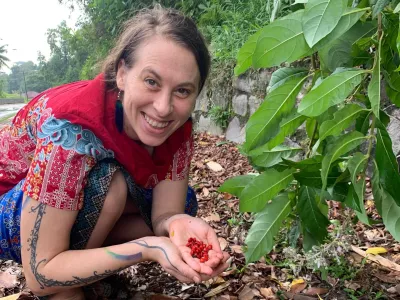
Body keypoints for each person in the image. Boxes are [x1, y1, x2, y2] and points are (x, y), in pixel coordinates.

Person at [0, 6, 230, 300]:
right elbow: (40, 275)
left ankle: (83, 265)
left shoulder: (178, 126)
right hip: (9, 209)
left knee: (183, 210)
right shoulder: (71, 131)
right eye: (151, 82)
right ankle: (72, 285)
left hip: (75, 205)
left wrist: (172, 223)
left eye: (182, 91)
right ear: (122, 74)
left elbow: (165, 213)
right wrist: (147, 248)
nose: (163, 107)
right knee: (109, 186)